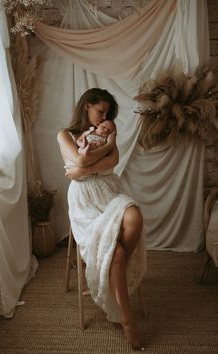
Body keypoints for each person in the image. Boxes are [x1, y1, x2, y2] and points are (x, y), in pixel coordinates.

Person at [57, 88, 147, 350]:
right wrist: (97, 156)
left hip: (108, 191)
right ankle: (128, 320)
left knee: (134, 214)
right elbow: (76, 157)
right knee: (116, 254)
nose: (104, 116)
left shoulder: (107, 131)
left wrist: (83, 168)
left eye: (107, 113)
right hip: (85, 201)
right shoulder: (65, 135)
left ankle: (108, 267)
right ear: (87, 106)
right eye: (101, 110)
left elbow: (113, 160)